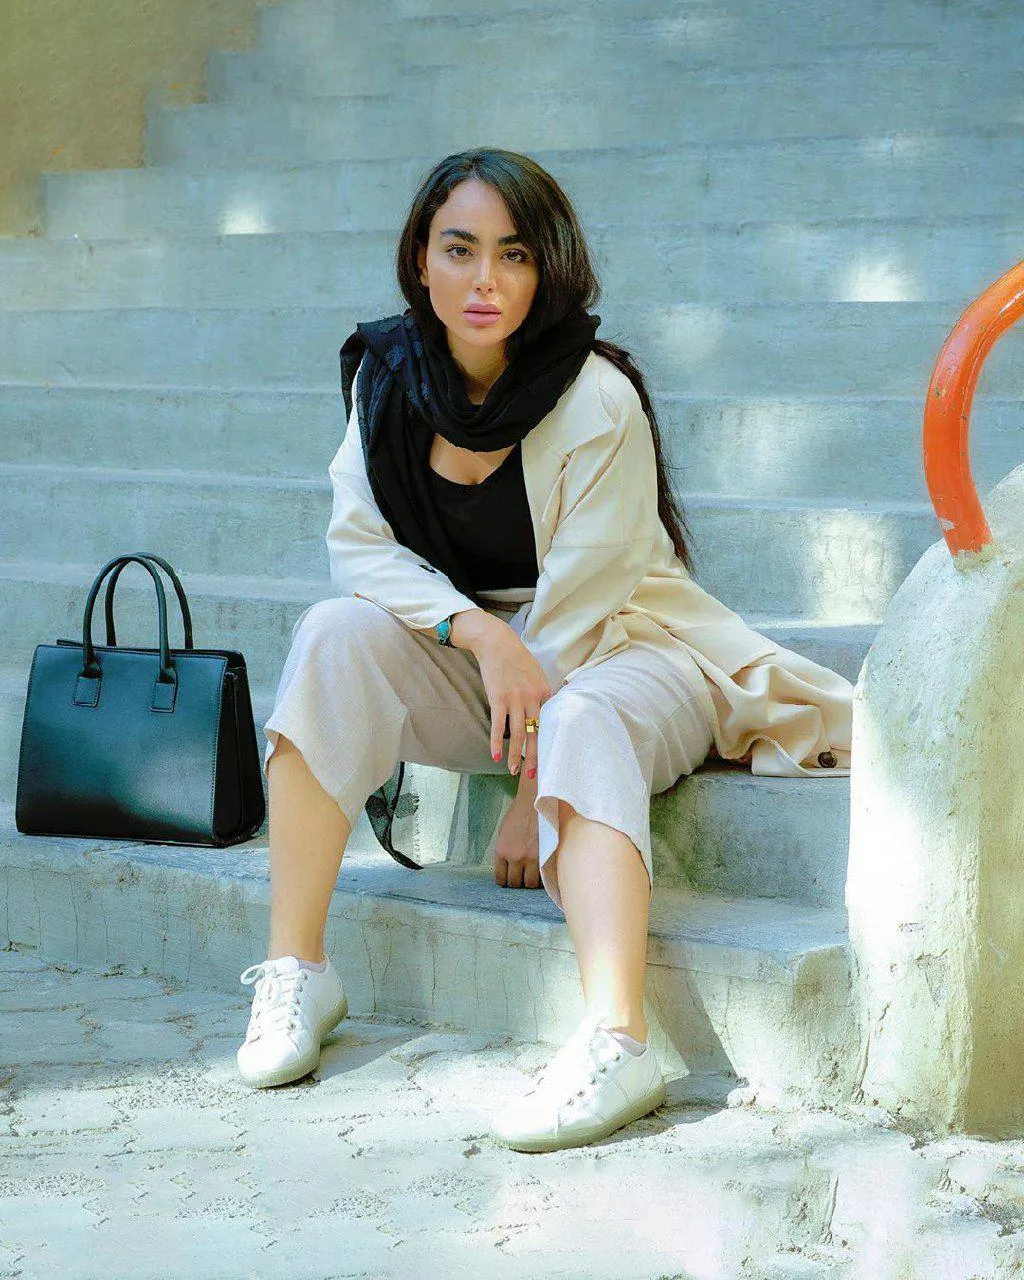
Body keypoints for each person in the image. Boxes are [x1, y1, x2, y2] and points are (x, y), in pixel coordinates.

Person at [234, 148, 854, 1154]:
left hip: (632, 646)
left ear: (546, 268)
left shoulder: (595, 396)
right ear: (420, 263)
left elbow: (583, 603)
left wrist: (529, 791)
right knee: (332, 632)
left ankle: (621, 1036)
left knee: (578, 711)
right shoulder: (386, 379)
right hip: (483, 656)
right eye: (460, 249)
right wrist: (474, 628)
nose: (486, 281)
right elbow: (359, 548)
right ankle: (299, 967)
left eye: (513, 254)